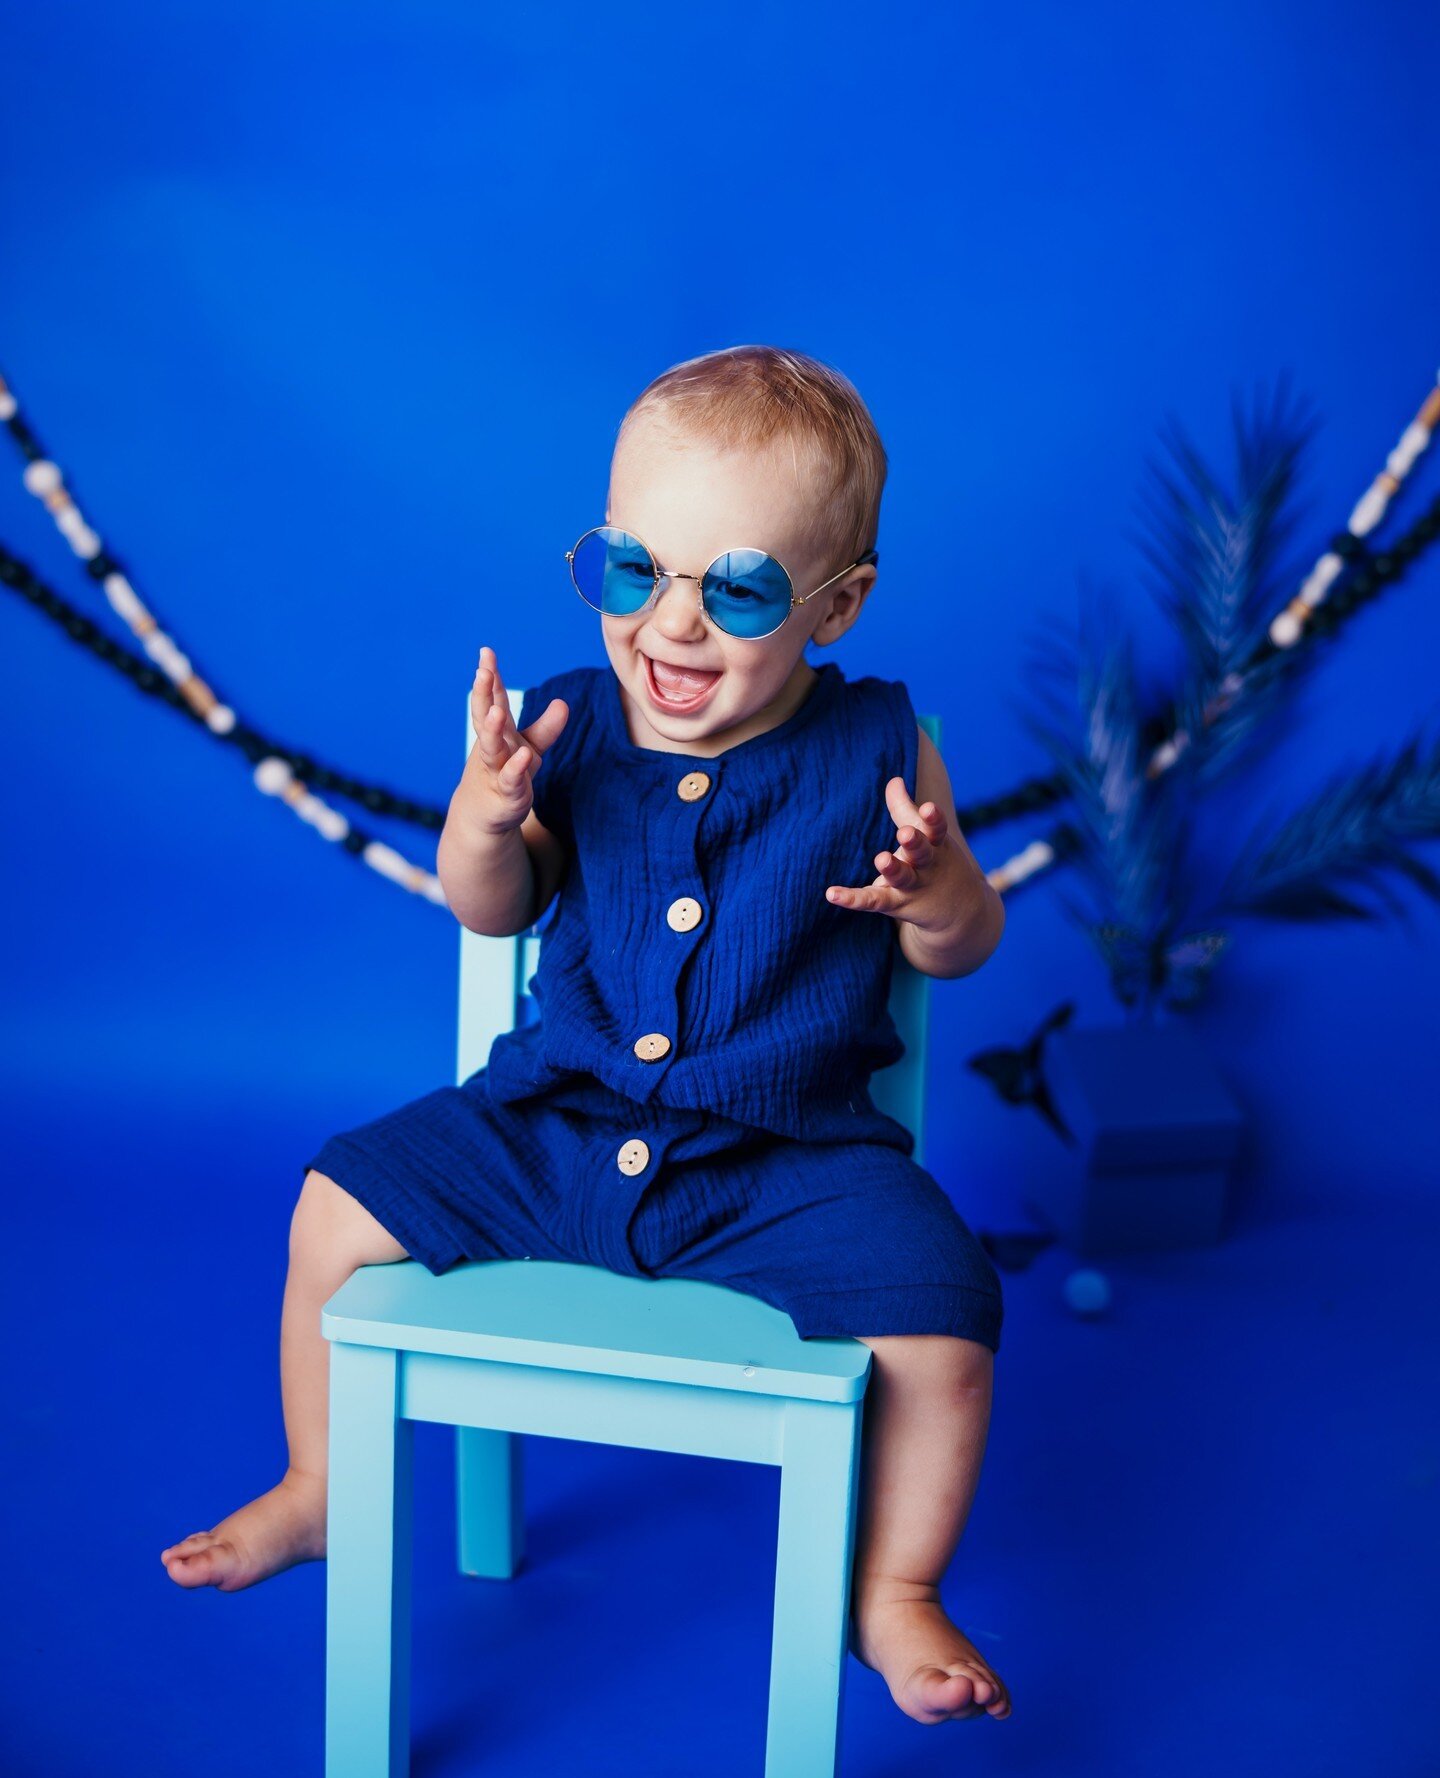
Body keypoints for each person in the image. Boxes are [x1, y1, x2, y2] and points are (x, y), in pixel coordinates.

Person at [160, 345, 1012, 1728]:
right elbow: (485, 908)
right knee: (332, 1196)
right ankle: (322, 1486)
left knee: (949, 1312)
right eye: (634, 570)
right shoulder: (567, 723)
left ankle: (894, 1586)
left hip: (788, 1160)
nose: (670, 626)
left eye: (735, 588)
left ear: (836, 607)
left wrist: (940, 890)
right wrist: (486, 816)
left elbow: (959, 948)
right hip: (553, 1123)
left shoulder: (885, 750)